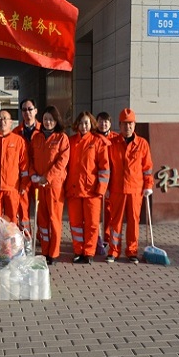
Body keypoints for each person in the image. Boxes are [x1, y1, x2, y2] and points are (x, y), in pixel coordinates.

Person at [106, 108, 154, 264]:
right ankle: (113, 251)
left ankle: (132, 251)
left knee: (133, 221)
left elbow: (147, 168)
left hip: (135, 190)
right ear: (119, 125)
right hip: (117, 189)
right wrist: (105, 188)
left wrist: (148, 185)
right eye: (125, 124)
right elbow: (107, 168)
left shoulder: (142, 144)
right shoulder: (112, 143)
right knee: (115, 222)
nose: (128, 127)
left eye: (130, 124)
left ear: (134, 125)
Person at [65, 111, 110, 264]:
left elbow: (104, 168)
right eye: (81, 123)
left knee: (92, 224)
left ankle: (89, 252)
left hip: (92, 191)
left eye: (86, 123)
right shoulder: (70, 141)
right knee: (75, 224)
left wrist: (101, 189)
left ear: (91, 124)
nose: (84, 126)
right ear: (77, 124)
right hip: (74, 190)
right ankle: (78, 251)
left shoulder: (98, 142)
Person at [29, 106, 70, 265]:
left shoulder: (61, 138)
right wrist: (33, 174)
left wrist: (48, 177)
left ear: (56, 121)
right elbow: (30, 158)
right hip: (39, 185)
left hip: (54, 186)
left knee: (54, 219)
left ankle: (53, 252)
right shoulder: (36, 138)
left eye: (51, 119)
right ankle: (45, 250)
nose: (48, 122)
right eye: (45, 119)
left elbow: (62, 162)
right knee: (42, 220)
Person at [13, 98, 42, 233]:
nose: (27, 112)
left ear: (36, 111)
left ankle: (42, 238)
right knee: (23, 209)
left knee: (41, 210)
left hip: (39, 175)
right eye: (24, 110)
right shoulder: (16, 132)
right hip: (23, 176)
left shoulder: (43, 130)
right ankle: (26, 237)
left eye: (30, 109)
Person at [96, 111, 118, 252]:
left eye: (106, 121)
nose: (103, 124)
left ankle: (107, 237)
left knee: (109, 212)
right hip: (97, 180)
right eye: (100, 121)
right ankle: (97, 238)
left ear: (110, 123)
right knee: (96, 212)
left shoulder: (115, 138)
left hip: (112, 180)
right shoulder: (93, 137)